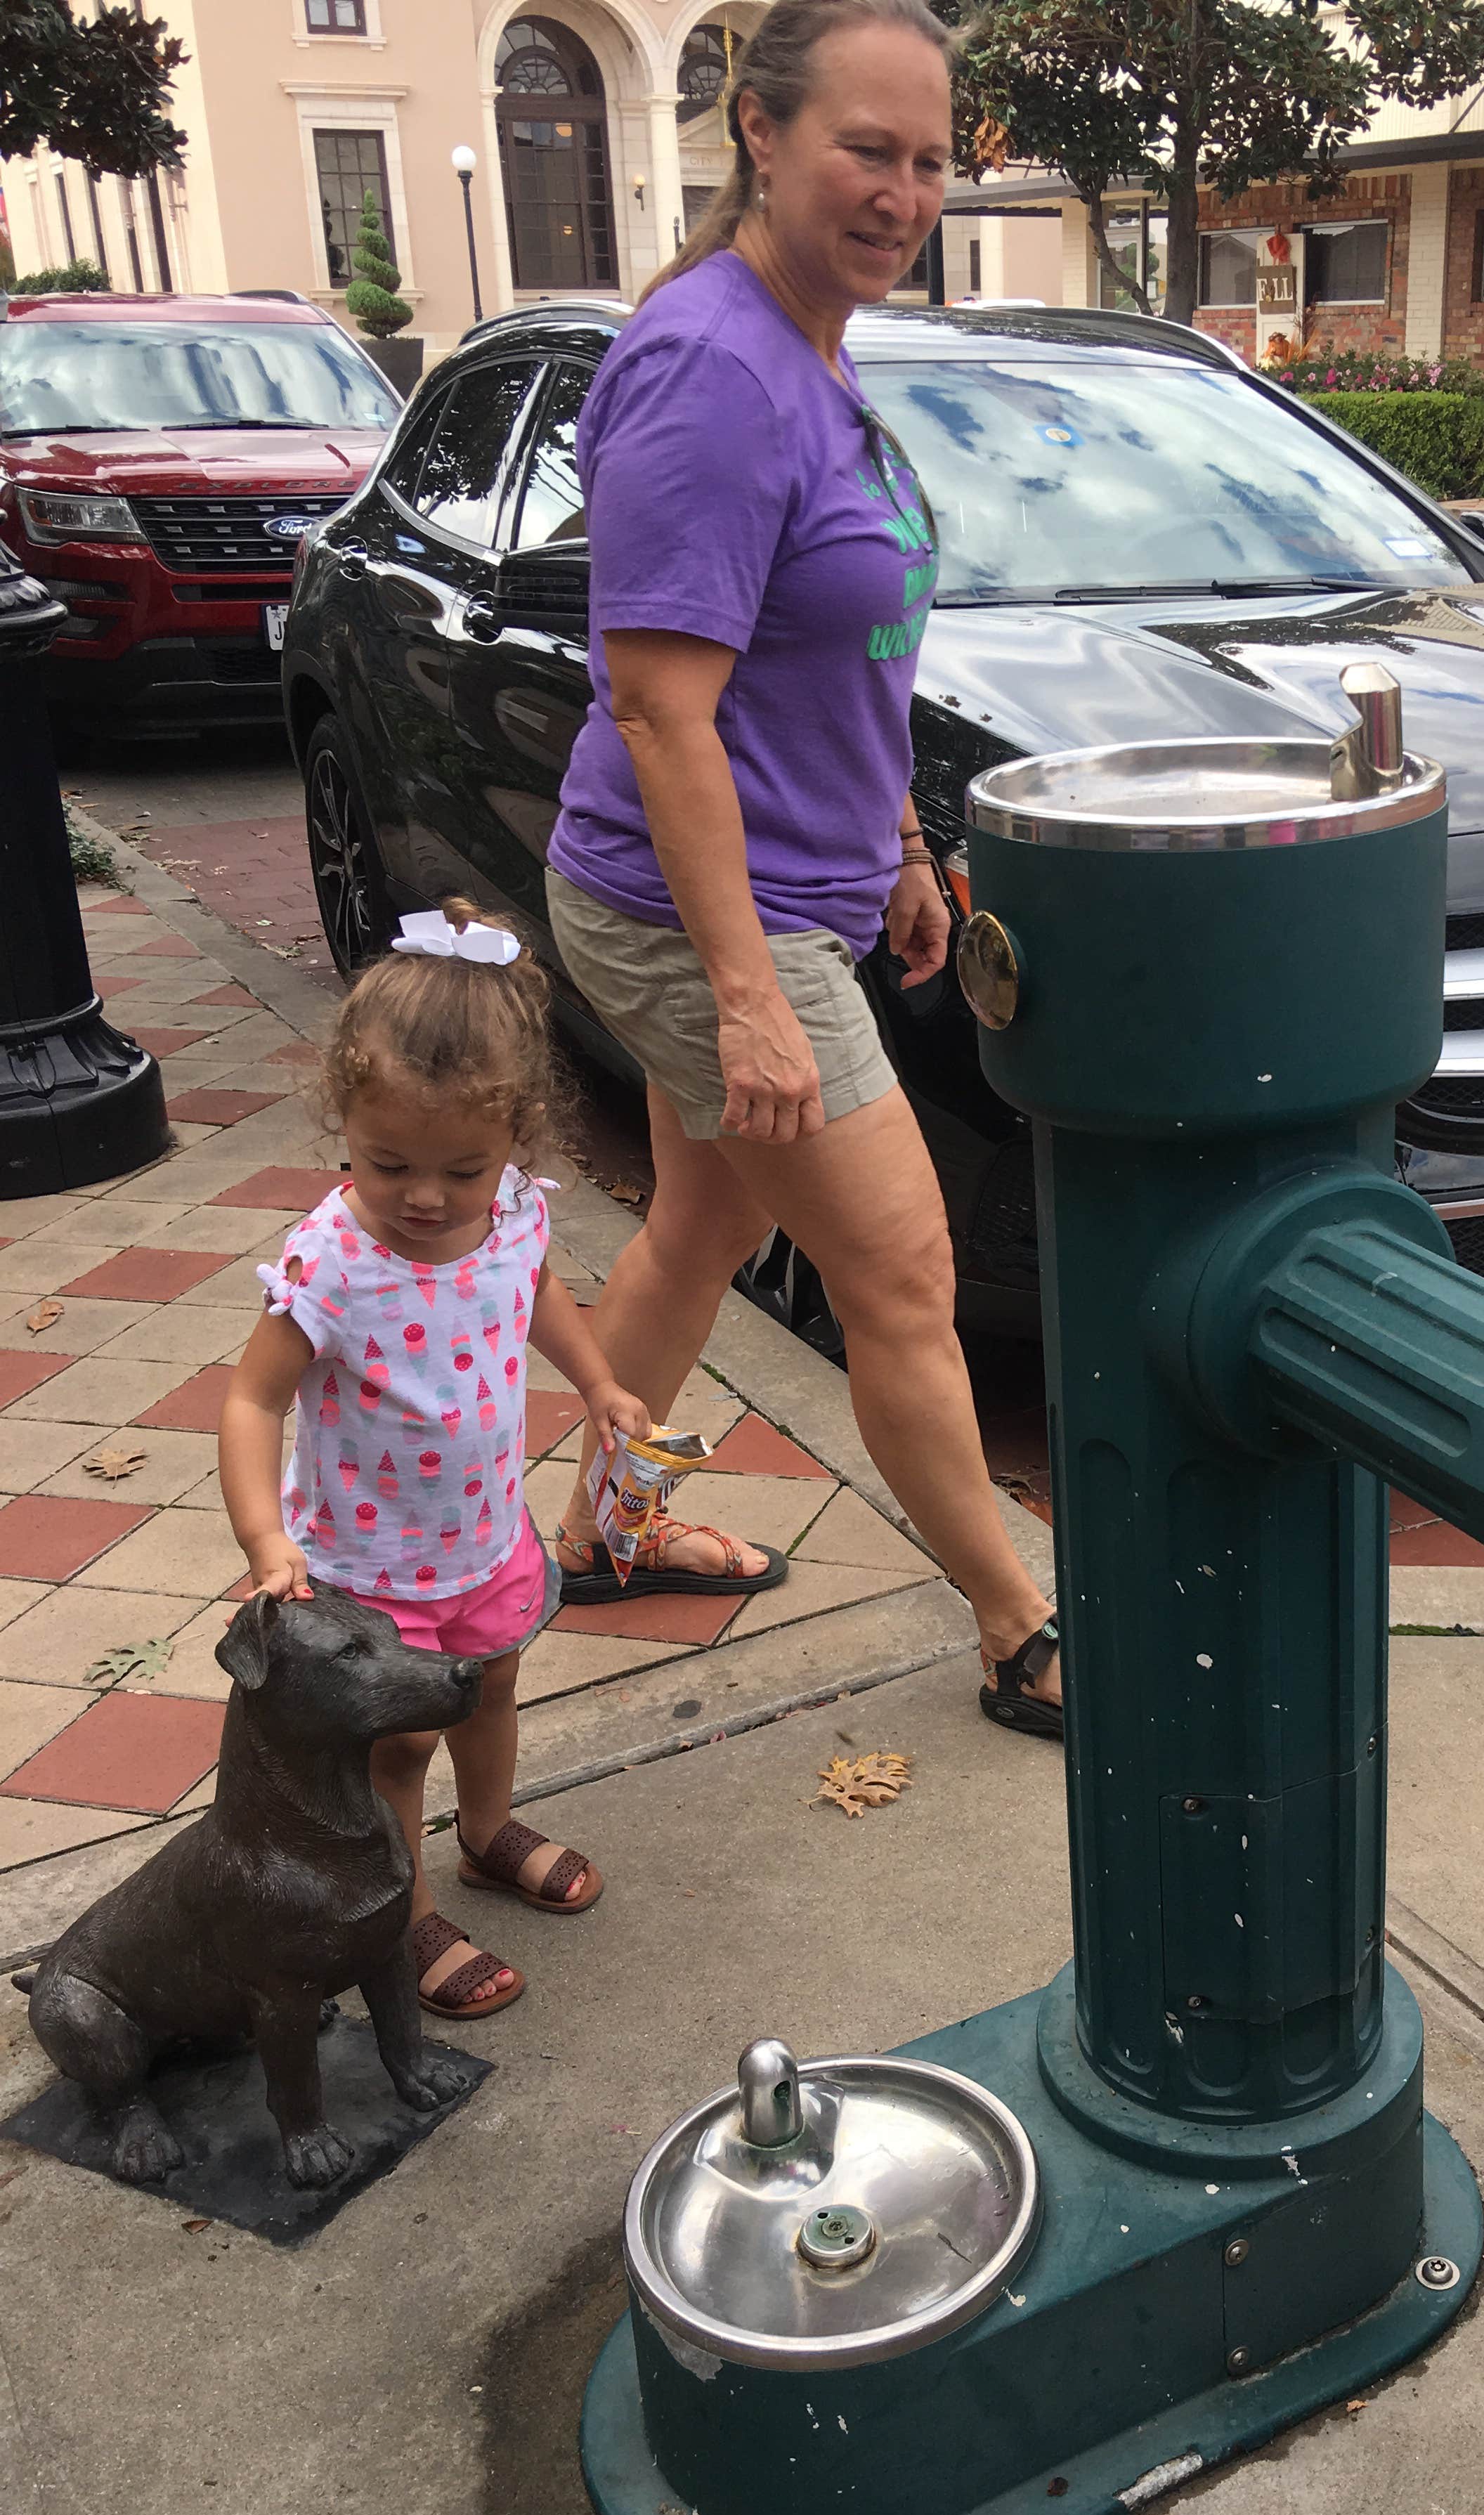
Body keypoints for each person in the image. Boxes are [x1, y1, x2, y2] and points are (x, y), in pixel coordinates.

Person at [541, 0, 1063, 1738]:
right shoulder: (712, 365)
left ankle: (601, 1537)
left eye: (929, 160)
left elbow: (840, 656)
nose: (904, 190)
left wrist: (902, 842)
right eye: (867, 149)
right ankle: (1016, 1625)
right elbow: (663, 711)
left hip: (790, 895)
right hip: (697, 913)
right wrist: (754, 998)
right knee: (904, 1273)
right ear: (761, 134)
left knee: (699, 1225)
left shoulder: (812, 343)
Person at [218, 906, 656, 2020]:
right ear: (345, 1124)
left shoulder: (508, 1211)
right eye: (387, 1162)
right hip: (366, 1571)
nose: (424, 1195)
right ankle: (402, 1916)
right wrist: (268, 1542)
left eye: (461, 1168)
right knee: (402, 1739)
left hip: (484, 1538)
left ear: (516, 1138)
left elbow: (538, 1292)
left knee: (495, 1685)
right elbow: (251, 1397)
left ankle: (488, 1830)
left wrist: (598, 1381)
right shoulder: (336, 1259)